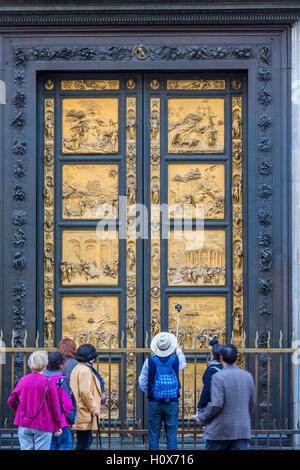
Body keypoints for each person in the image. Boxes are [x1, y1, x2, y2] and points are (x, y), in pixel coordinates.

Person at [193, 344, 256, 450]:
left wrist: (202, 417)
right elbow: (252, 403)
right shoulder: (247, 376)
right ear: (236, 358)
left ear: (221, 358)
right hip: (241, 430)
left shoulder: (219, 377)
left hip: (220, 430)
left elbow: (216, 404)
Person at [138, 332, 186, 450]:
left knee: (154, 435)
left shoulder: (149, 361)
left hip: (154, 402)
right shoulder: (175, 360)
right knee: (172, 435)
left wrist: (150, 391)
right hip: (172, 401)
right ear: (170, 347)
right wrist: (178, 349)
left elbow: (142, 380)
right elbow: (183, 363)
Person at [7, 350, 63, 450]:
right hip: (43, 424)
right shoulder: (49, 382)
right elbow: (55, 406)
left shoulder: (23, 380)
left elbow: (11, 401)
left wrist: (19, 412)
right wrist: (58, 424)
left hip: (24, 423)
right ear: (45, 365)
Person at [70, 344, 103, 450]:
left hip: (80, 409)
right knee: (85, 442)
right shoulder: (85, 370)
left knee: (83, 440)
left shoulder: (78, 368)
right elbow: (85, 391)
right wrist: (93, 408)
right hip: (84, 411)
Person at [43, 351, 77, 450]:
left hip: (44, 419)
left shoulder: (42, 377)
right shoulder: (61, 379)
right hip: (60, 419)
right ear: (61, 365)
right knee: (65, 444)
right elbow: (67, 403)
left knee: (50, 445)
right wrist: (71, 420)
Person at [197, 337, 223, 413]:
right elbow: (220, 350)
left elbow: (207, 389)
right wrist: (212, 341)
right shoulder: (226, 366)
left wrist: (201, 405)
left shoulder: (212, 370)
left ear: (212, 355)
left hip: (214, 404)